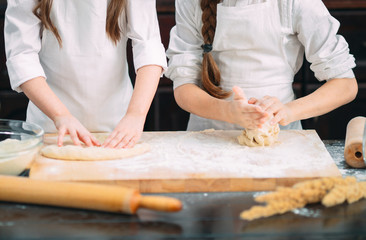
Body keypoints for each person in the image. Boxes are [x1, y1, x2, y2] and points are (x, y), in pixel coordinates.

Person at [166, 0, 358, 131]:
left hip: (278, 136)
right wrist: (227, 111)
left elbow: (345, 85)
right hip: (206, 138)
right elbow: (184, 88)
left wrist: (289, 111)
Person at [5, 0, 166, 148]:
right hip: (51, 126)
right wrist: (60, 115)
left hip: (118, 125)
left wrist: (135, 115)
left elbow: (148, 45)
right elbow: (22, 56)